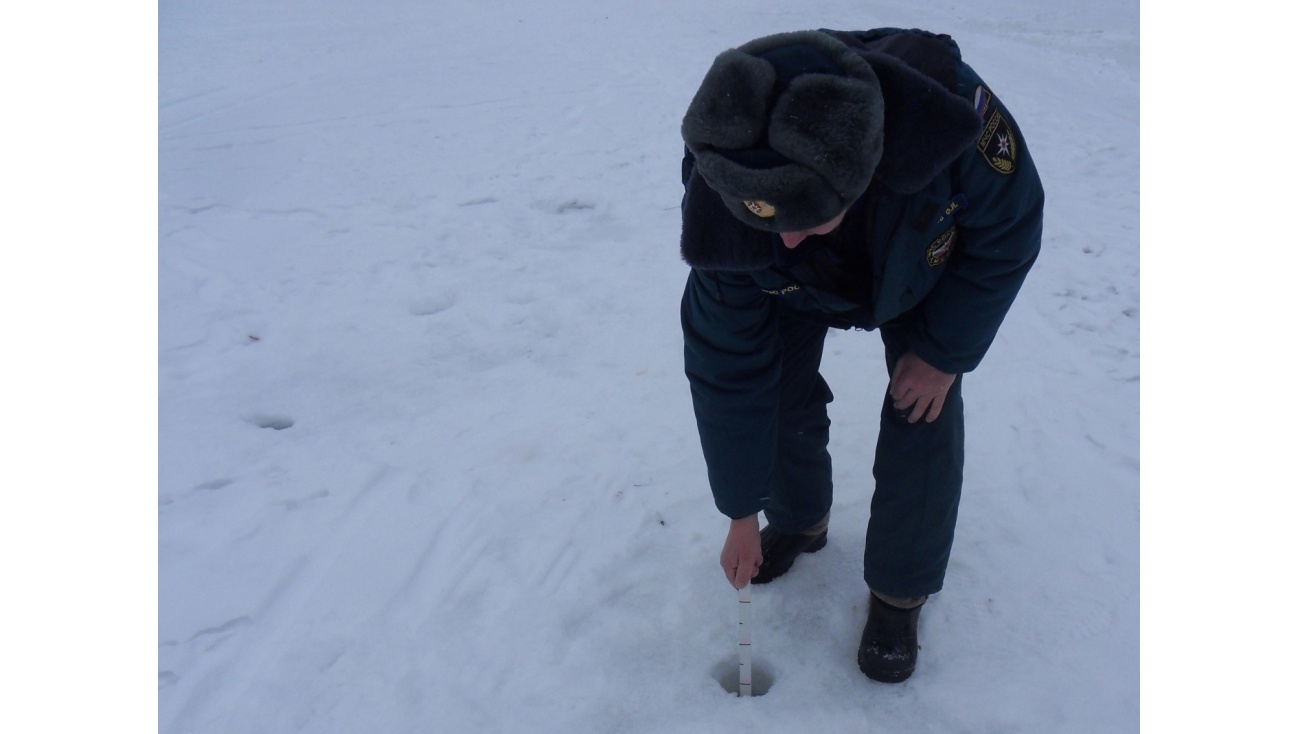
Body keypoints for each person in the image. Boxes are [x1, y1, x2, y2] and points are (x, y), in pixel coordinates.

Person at [678, 28, 1044, 683]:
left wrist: (942, 352)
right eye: (769, 220)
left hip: (916, 267)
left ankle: (900, 592)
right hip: (797, 288)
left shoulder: (954, 122)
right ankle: (799, 520)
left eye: (805, 216)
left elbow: (1009, 232)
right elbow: (728, 374)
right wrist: (740, 511)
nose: (784, 236)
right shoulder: (728, 199)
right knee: (778, 386)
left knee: (920, 404)